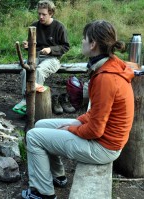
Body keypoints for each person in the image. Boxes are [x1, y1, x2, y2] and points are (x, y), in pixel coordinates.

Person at [21, 20, 134, 199]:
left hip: (104, 148)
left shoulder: (106, 78)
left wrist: (72, 129)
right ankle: (58, 176)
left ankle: (42, 193)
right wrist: (77, 122)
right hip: (104, 139)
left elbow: (95, 130)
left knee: (33, 137)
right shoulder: (110, 64)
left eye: (84, 38)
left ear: (93, 44)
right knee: (42, 124)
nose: (81, 41)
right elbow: (96, 113)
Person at [12, 0, 70, 115]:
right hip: (36, 56)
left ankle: (34, 101)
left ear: (51, 13)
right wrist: (27, 45)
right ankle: (25, 98)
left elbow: (65, 47)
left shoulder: (59, 27)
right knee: (25, 69)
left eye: (44, 14)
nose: (41, 17)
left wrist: (51, 50)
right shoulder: (34, 26)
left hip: (52, 59)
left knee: (38, 71)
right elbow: (32, 46)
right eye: (39, 14)